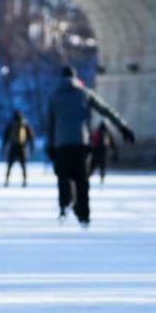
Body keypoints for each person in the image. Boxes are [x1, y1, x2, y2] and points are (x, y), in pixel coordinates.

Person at [46, 66, 135, 226]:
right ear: (75, 77)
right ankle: (83, 214)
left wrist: (50, 145)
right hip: (81, 142)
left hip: (61, 145)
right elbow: (106, 110)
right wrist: (122, 127)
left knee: (63, 177)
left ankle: (64, 206)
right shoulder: (84, 93)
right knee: (82, 180)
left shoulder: (54, 97)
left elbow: (50, 124)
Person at [1, 109, 35, 187]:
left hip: (13, 146)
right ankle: (24, 181)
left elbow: (5, 137)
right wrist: (32, 147)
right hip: (22, 147)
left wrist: (3, 148)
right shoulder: (25, 124)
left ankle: (6, 181)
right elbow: (31, 137)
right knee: (23, 166)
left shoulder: (11, 124)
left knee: (10, 165)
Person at [89, 120, 118, 185]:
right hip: (103, 151)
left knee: (92, 165)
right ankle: (102, 178)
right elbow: (112, 143)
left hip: (95, 151)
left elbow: (90, 139)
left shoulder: (97, 131)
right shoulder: (107, 133)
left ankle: (88, 176)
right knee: (102, 166)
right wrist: (115, 152)